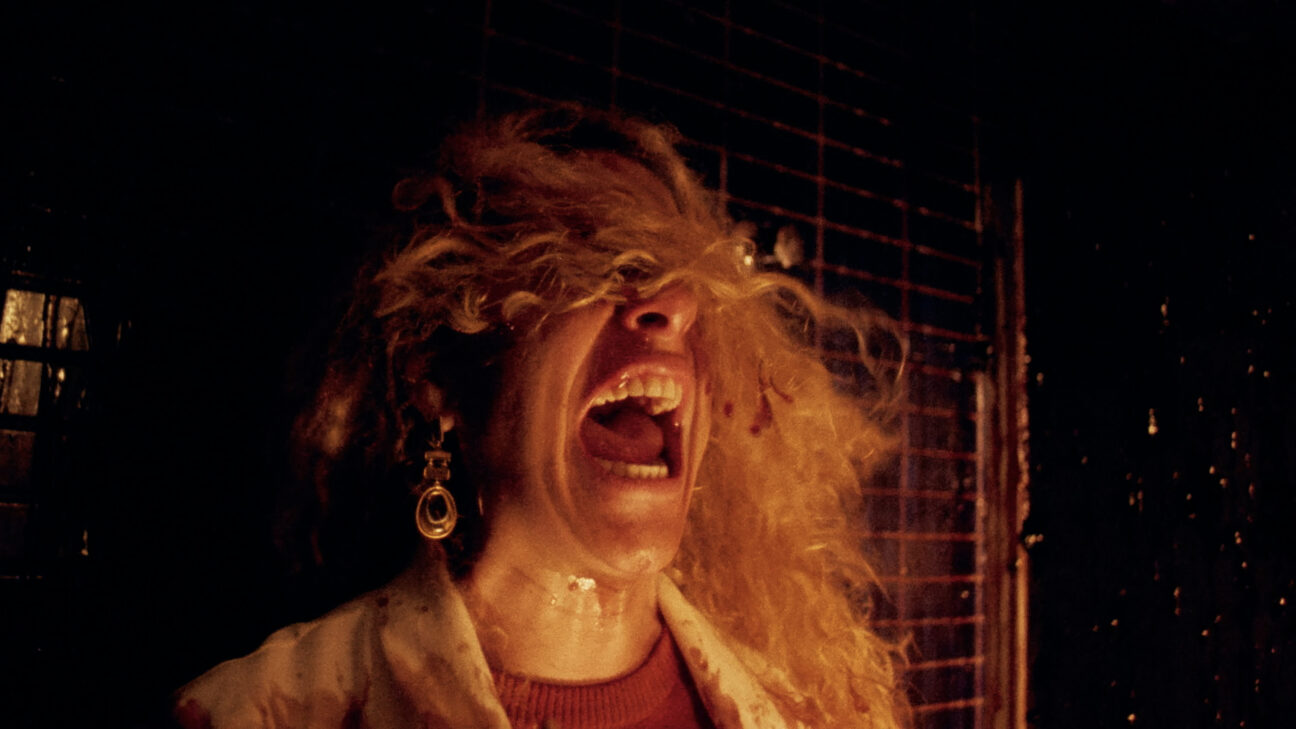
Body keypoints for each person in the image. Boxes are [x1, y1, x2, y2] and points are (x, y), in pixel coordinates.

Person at [173, 105, 908, 729]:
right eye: (590, 256)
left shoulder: (802, 711)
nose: (675, 303)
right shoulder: (256, 714)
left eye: (685, 271)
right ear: (439, 373)